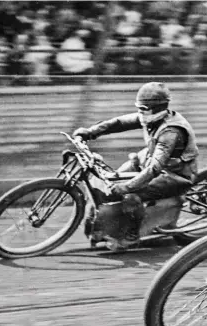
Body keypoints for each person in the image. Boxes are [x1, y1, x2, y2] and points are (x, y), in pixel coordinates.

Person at [73, 81, 199, 248]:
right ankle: (107, 225)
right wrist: (90, 132)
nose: (140, 112)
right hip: (148, 158)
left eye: (144, 108)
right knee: (110, 182)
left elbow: (154, 169)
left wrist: (128, 187)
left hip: (174, 174)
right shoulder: (150, 118)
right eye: (139, 107)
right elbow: (119, 123)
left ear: (158, 108)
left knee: (130, 196)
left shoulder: (170, 132)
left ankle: (132, 233)